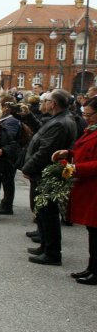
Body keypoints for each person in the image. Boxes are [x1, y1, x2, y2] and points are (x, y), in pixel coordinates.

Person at [22, 89, 77, 265]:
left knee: (48, 213)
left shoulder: (61, 122)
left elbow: (45, 151)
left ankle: (52, 252)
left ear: (53, 104)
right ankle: (45, 246)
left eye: (46, 101)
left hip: (46, 172)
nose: (43, 104)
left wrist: (28, 167)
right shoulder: (60, 119)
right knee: (44, 212)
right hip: (46, 171)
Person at [52, 97, 97, 284]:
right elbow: (85, 151)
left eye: (89, 115)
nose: (86, 118)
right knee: (92, 231)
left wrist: (71, 169)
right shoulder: (92, 129)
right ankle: (92, 268)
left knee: (96, 232)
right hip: (88, 186)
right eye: (84, 114)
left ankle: (95, 271)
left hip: (93, 186)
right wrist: (69, 154)